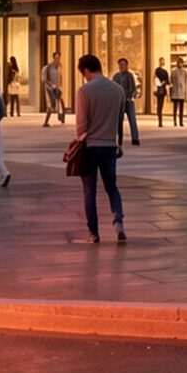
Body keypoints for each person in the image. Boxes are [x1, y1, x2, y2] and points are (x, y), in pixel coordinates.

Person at [70, 53, 127, 243]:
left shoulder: (84, 91)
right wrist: (119, 143)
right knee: (112, 187)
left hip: (90, 146)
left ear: (86, 70)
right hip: (110, 145)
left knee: (89, 191)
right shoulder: (118, 90)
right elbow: (119, 121)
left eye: (83, 74)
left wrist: (79, 141)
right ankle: (118, 221)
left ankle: (93, 233)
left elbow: (81, 124)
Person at [114, 57, 142, 146]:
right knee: (118, 121)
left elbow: (132, 88)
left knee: (132, 120)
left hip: (128, 101)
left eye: (123, 64)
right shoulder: (116, 76)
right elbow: (113, 88)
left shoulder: (129, 75)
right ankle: (118, 139)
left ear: (127, 65)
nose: (122, 66)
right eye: (120, 64)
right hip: (119, 102)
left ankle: (135, 138)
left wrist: (130, 97)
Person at [40, 55, 65, 127]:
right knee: (50, 105)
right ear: (53, 58)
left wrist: (59, 86)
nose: (58, 60)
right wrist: (51, 85)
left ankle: (61, 116)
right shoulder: (47, 68)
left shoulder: (58, 68)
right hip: (49, 89)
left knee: (60, 102)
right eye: (57, 58)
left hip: (56, 88)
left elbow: (59, 77)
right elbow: (44, 79)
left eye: (59, 58)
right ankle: (46, 122)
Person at [152, 62, 171, 128]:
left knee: (159, 106)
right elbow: (168, 82)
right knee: (160, 105)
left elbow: (154, 80)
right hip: (162, 91)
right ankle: (160, 121)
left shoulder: (157, 71)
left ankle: (160, 121)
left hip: (158, 90)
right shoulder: (165, 72)